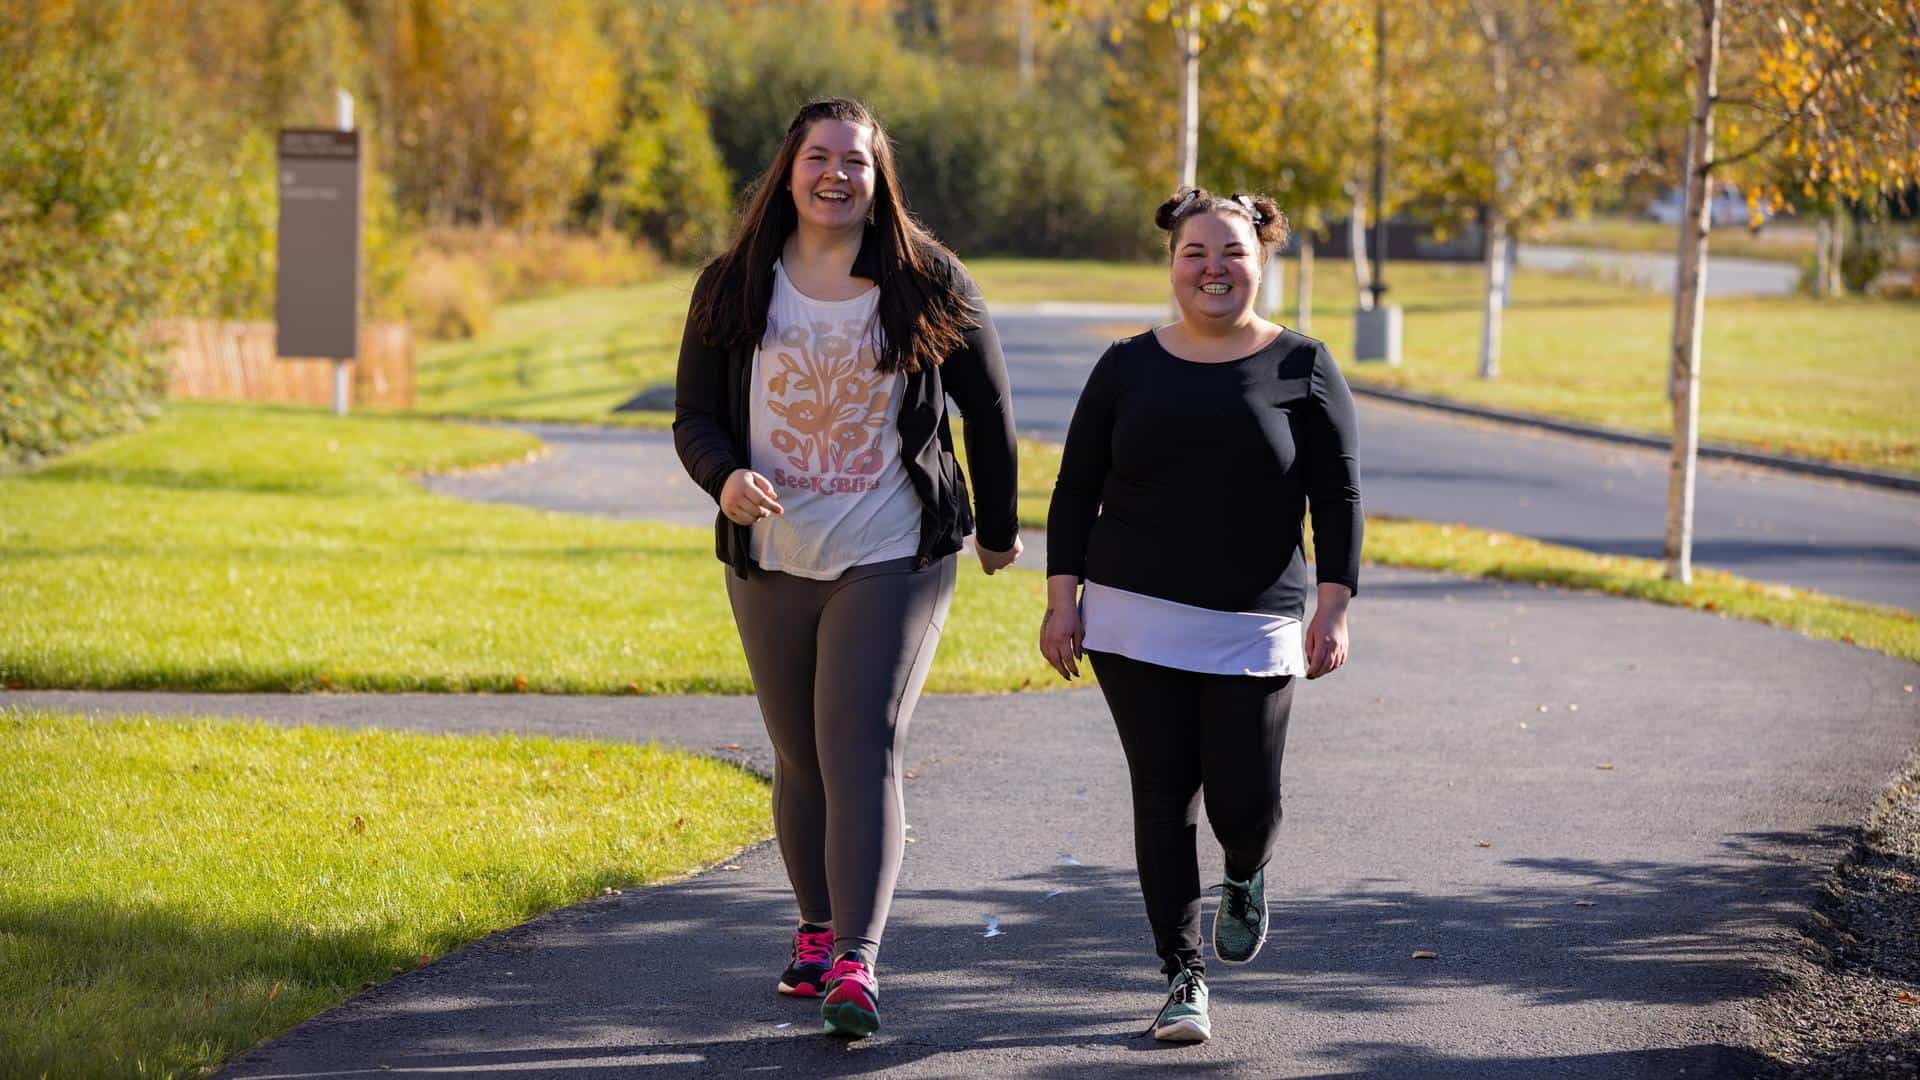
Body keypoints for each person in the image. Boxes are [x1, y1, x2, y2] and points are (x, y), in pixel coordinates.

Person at [673, 97, 1021, 1039]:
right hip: (772, 554)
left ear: (879, 177)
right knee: (799, 757)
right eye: (819, 157)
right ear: (788, 170)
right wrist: (725, 478)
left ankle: (859, 964)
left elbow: (986, 408)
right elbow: (694, 418)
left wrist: (997, 527)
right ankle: (818, 932)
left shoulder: (926, 278)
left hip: (893, 552)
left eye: (855, 162)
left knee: (858, 743)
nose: (836, 175)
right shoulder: (734, 283)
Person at [1039, 187, 1362, 1043]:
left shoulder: (1304, 366)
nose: (1213, 269)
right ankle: (1182, 977)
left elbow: (1337, 495)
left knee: (1243, 802)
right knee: (1162, 793)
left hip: (1256, 621)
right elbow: (1074, 489)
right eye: (1196, 254)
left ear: (1262, 261)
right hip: (1132, 615)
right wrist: (1060, 601)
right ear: (1173, 263)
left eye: (1232, 253)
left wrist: (1334, 605)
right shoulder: (1124, 366)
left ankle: (1247, 871)